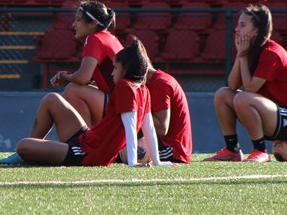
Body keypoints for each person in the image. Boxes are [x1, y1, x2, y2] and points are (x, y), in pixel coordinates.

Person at [13, 39, 172, 168]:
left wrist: (132, 162)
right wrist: (157, 162)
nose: (112, 72)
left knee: (23, 146)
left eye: (115, 68)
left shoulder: (124, 86)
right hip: (87, 139)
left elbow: (131, 126)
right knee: (51, 99)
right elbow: (148, 128)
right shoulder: (143, 89)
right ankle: (32, 153)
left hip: (87, 153)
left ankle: (33, 154)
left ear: (126, 70)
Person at [0, 1, 121, 164]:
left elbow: (82, 78)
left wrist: (66, 77)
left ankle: (82, 143)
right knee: (64, 93)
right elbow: (94, 79)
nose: (73, 24)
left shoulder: (94, 38)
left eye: (78, 20)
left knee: (73, 89)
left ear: (92, 23)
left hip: (119, 111)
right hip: (120, 112)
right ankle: (79, 142)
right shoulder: (108, 37)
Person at [204, 4, 287, 163]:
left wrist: (243, 57)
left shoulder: (271, 53)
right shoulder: (249, 50)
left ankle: (261, 151)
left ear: (256, 31)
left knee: (242, 98)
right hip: (266, 112)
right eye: (237, 24)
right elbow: (232, 85)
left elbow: (250, 88)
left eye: (243, 25)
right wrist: (241, 55)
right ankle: (232, 150)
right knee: (222, 94)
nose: (236, 29)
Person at [145, 65, 193, 164]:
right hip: (169, 146)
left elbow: (162, 129)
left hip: (171, 150)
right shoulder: (157, 81)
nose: (113, 74)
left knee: (118, 151)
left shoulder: (160, 83)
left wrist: (138, 110)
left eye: (116, 68)